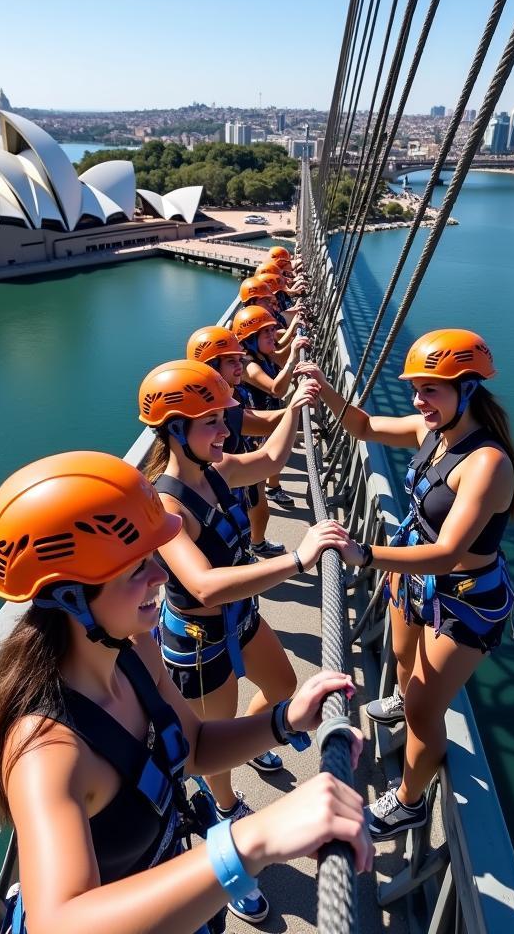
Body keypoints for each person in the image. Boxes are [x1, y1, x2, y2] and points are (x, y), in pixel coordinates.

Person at [0, 451, 372, 934]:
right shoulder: (45, 748)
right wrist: (253, 840)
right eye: (136, 569)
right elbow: (59, 922)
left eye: (152, 559)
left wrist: (284, 720)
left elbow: (195, 745)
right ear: (71, 597)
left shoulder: (134, 648)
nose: (161, 577)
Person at [294, 329, 514, 840]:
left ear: (467, 390)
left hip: (464, 598)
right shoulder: (432, 433)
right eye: (417, 389)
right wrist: (325, 387)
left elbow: (447, 554)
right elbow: (366, 425)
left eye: (431, 390)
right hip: (415, 580)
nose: (419, 401)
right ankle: (405, 699)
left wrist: (366, 553)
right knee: (402, 661)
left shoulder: (487, 464)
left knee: (423, 709)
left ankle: (409, 801)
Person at [139, 361, 350, 856]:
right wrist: (299, 559)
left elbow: (272, 460)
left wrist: (295, 409)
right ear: (176, 430)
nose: (223, 430)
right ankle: (227, 809)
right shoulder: (166, 508)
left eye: (220, 418)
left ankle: (252, 742)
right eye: (210, 421)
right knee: (211, 744)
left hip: (243, 618)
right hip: (199, 642)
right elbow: (205, 585)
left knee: (282, 686)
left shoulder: (219, 471)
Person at [185, 325, 286, 559]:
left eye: (240, 358)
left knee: (252, 514)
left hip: (235, 477)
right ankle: (252, 547)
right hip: (226, 486)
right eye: (230, 361)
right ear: (211, 368)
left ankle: (253, 547)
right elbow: (263, 422)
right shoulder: (210, 409)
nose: (240, 365)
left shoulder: (229, 398)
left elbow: (257, 421)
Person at [231, 306, 310, 508]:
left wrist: (294, 343)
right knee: (270, 454)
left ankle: (272, 487)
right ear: (250, 339)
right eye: (265, 332)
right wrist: (293, 358)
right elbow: (276, 389)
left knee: (275, 452)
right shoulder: (249, 365)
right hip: (257, 420)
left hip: (266, 413)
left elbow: (281, 358)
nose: (272, 335)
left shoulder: (265, 355)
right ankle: (271, 488)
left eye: (271, 330)